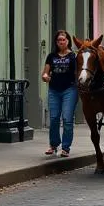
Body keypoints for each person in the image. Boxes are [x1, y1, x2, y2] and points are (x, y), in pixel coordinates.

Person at [42, 29, 77, 157]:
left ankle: (66, 148)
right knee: (54, 119)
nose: (61, 42)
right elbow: (45, 72)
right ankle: (53, 145)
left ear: (68, 41)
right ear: (56, 42)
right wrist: (45, 76)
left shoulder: (73, 56)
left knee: (67, 119)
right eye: (59, 40)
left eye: (63, 39)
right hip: (54, 90)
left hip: (69, 90)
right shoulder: (51, 56)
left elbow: (76, 73)